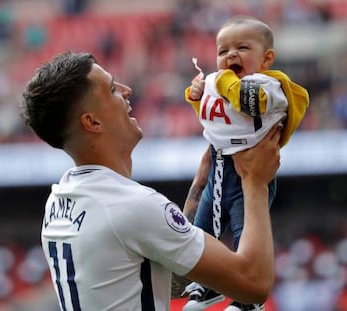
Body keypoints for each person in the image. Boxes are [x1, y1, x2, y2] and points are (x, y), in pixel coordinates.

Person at [20, 51, 281, 311]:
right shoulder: (128, 206)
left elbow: (156, 273)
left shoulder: (59, 200)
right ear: (92, 122)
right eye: (112, 89)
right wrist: (255, 183)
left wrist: (203, 182)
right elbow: (253, 282)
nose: (127, 90)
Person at [181, 16, 309, 311]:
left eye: (242, 47)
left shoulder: (270, 84)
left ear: (266, 59)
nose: (230, 55)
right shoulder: (220, 81)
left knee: (245, 233)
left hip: (250, 168)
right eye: (223, 51)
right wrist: (195, 96)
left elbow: (249, 103)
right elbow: (214, 115)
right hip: (219, 163)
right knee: (203, 230)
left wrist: (222, 80)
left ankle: (248, 301)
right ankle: (208, 284)